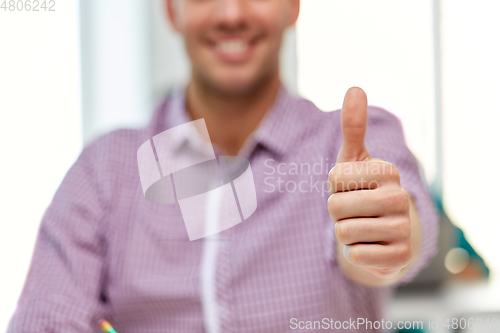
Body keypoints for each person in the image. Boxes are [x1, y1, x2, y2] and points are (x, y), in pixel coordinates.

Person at [8, 0, 438, 332]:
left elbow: (400, 232)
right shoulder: (105, 171)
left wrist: (380, 238)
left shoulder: (347, 145)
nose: (231, 14)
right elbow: (47, 319)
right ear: (172, 10)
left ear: (293, 5)